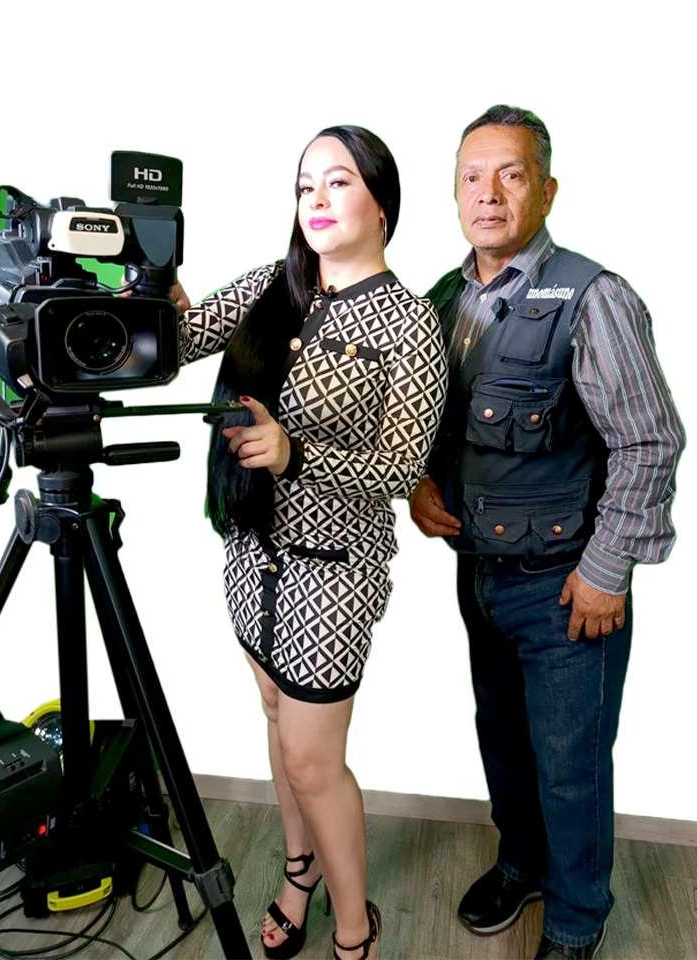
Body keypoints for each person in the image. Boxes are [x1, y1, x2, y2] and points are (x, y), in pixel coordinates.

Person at [410, 105, 685, 960]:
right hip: (480, 574)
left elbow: (649, 441)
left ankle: (574, 919)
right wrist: (420, 482)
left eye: (511, 174)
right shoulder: (445, 297)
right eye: (472, 176)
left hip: (566, 587)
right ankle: (521, 864)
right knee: (504, 742)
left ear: (547, 189)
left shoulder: (594, 297)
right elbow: (429, 420)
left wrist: (607, 571)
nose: (488, 194)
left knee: (570, 767)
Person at [176, 125, 447, 960]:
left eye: (338, 182)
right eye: (304, 186)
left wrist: (296, 453)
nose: (317, 200)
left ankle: (356, 929)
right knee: (274, 716)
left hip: (334, 570)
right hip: (250, 550)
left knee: (312, 759)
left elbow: (400, 468)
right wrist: (145, 283)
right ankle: (300, 873)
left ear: (382, 201)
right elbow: (179, 340)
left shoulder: (409, 323)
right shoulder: (272, 286)